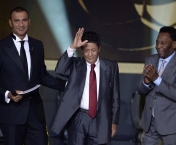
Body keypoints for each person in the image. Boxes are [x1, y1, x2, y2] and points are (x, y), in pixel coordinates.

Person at [0, 7, 66, 145]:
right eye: (17, 21)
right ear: (10, 23)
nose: (21, 24)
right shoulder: (2, 47)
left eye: (24, 20)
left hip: (35, 113)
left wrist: (67, 85)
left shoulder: (37, 45)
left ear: (29, 22)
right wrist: (7, 94)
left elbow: (42, 76)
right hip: (12, 113)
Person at [51, 28, 120, 145]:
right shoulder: (76, 65)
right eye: (86, 50)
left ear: (99, 48)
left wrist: (114, 122)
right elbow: (60, 69)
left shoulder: (111, 67)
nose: (90, 54)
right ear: (82, 50)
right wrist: (73, 46)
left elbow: (115, 96)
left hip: (100, 118)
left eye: (93, 50)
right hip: (78, 117)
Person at [137, 26, 176, 145]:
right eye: (157, 42)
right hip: (150, 122)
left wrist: (156, 79)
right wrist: (146, 82)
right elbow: (140, 91)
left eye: (163, 43)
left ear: (174, 44)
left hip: (171, 125)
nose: (158, 46)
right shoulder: (150, 59)